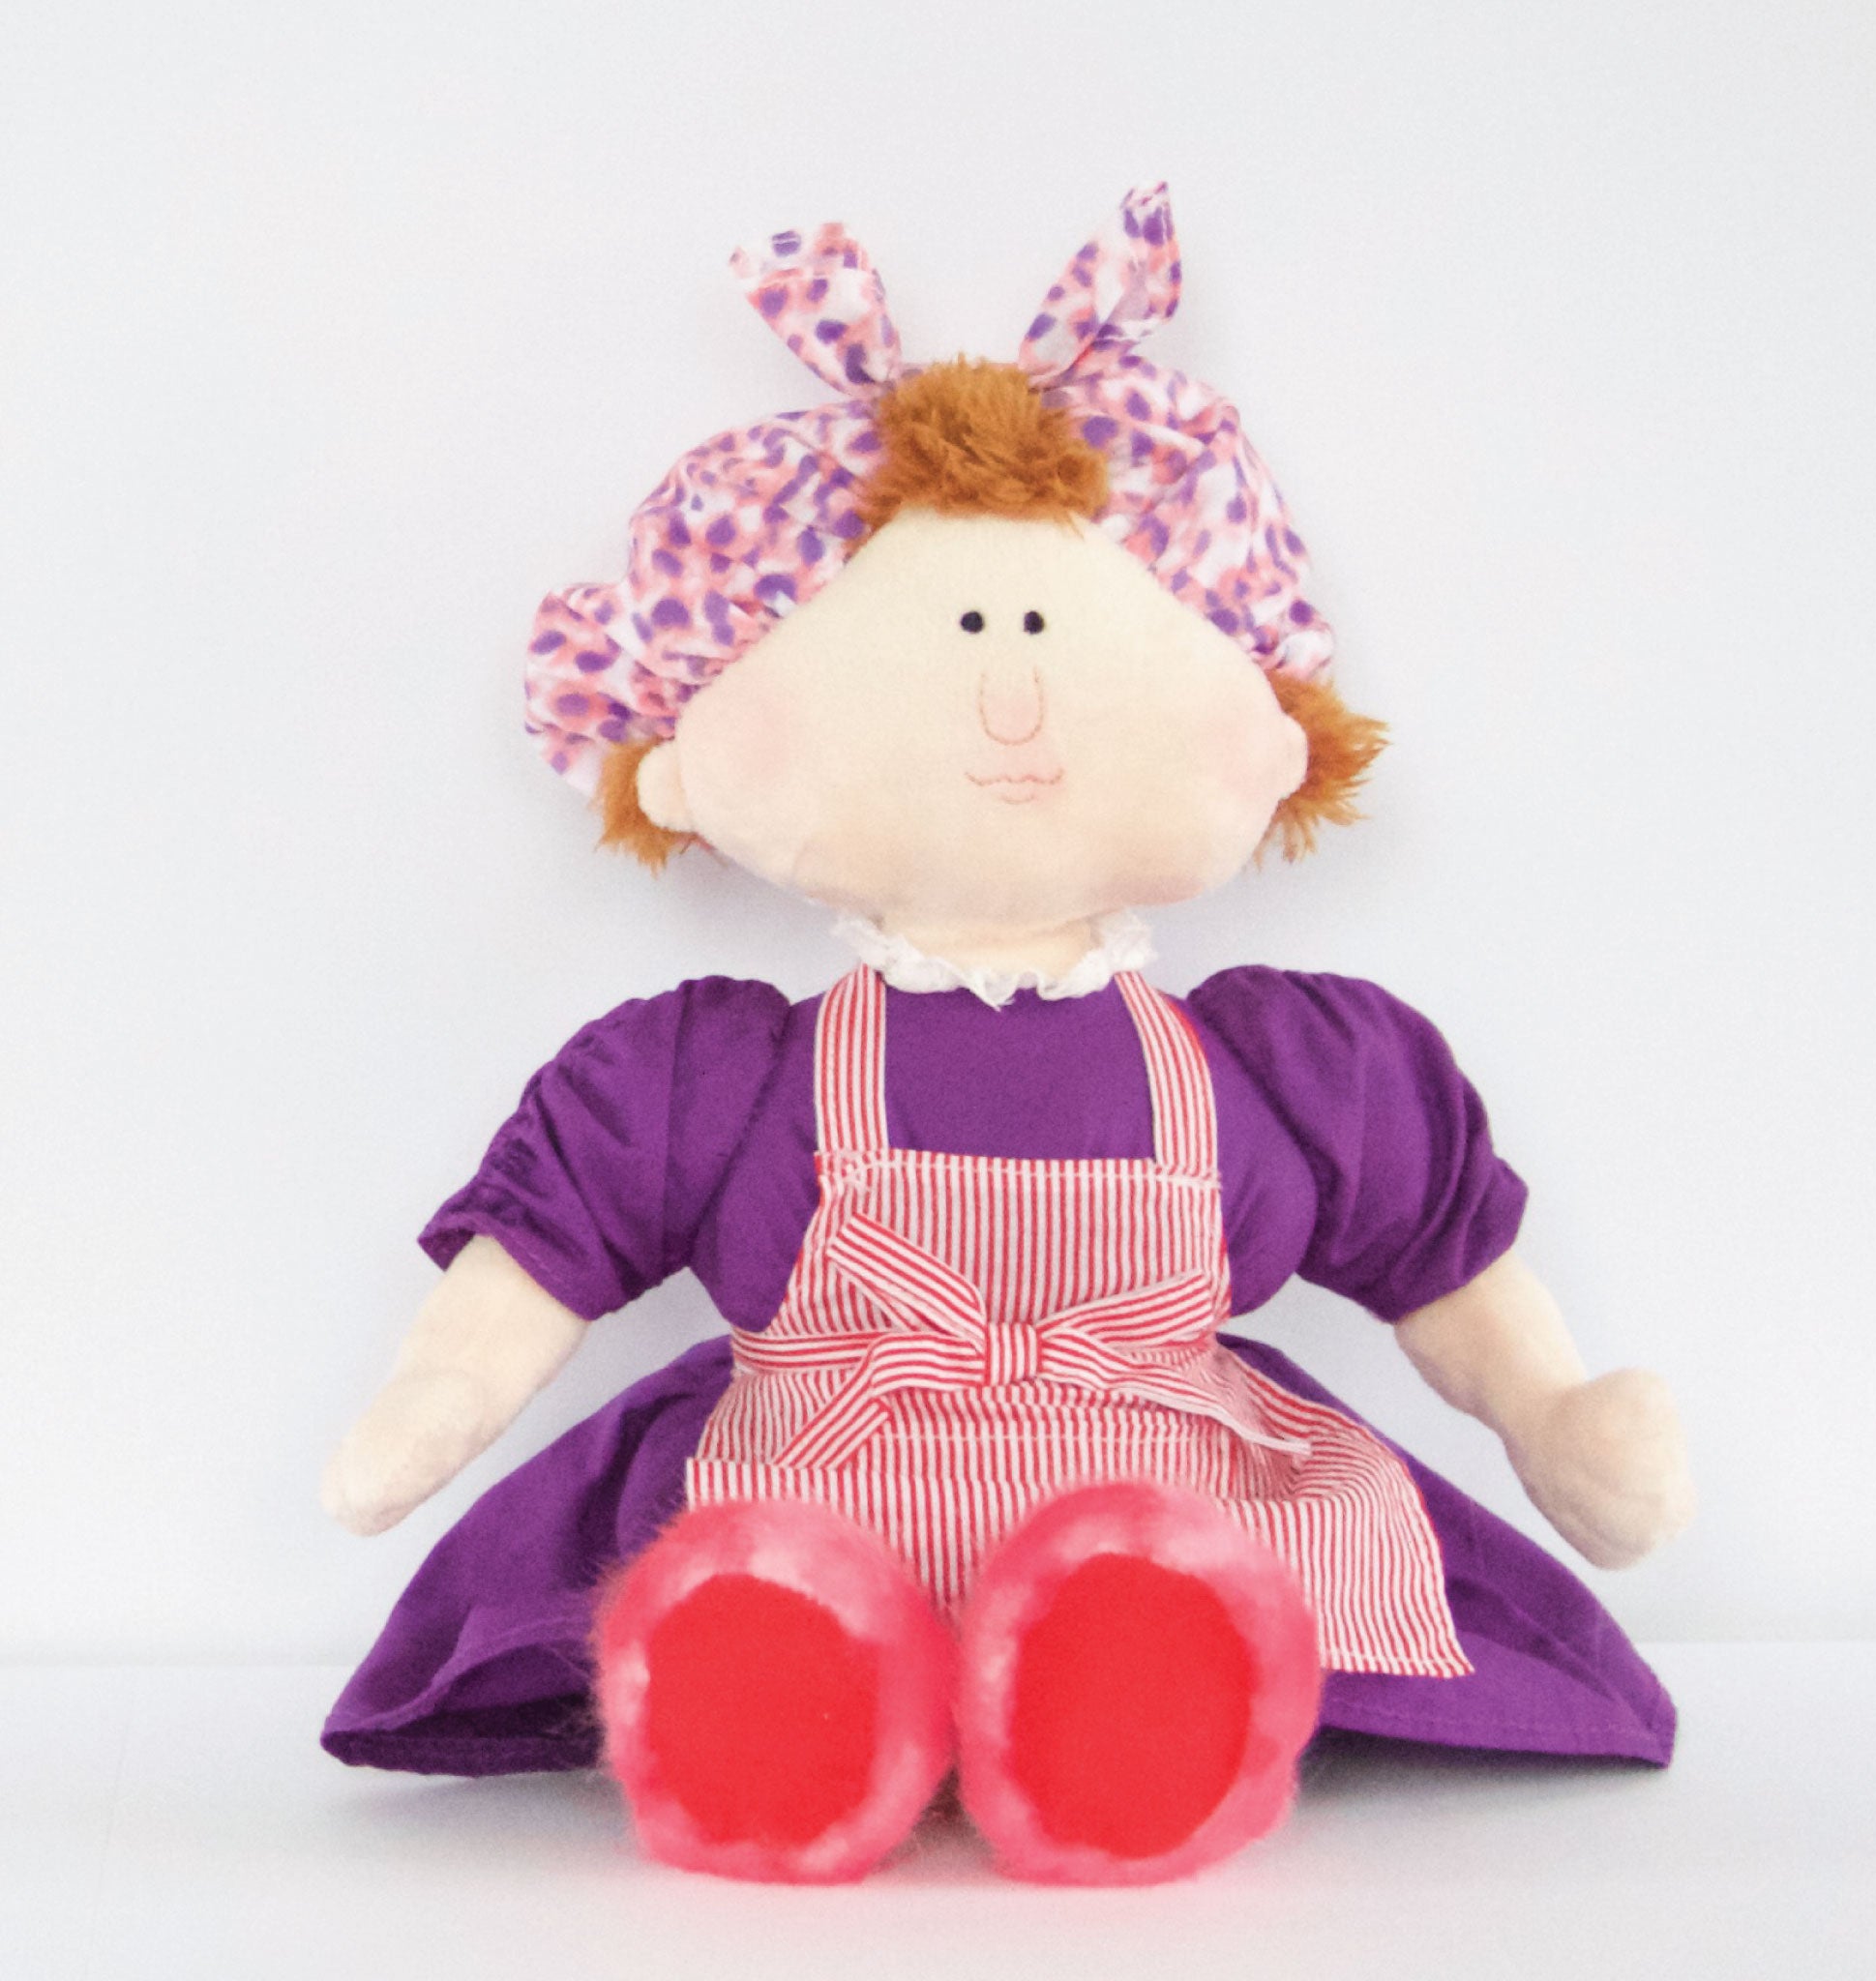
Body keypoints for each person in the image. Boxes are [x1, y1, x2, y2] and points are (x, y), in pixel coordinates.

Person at [320, 186, 1695, 1884]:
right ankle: (800, 1694)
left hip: (1165, 1474)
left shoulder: (1278, 1067)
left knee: (1150, 1588)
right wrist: (437, 1394)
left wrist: (1552, 1412)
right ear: (691, 755)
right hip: (825, 1473)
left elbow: (1425, 1238)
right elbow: (559, 1238)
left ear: (1268, 732)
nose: (1007, 690)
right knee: (774, 1585)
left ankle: (1115, 1697)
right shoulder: (718, 1073)